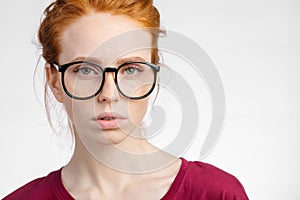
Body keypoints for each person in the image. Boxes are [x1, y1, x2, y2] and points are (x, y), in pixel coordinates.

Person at [4, 0, 248, 199]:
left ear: (154, 74)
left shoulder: (216, 194)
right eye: (85, 70)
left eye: (130, 69)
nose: (108, 94)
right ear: (55, 81)